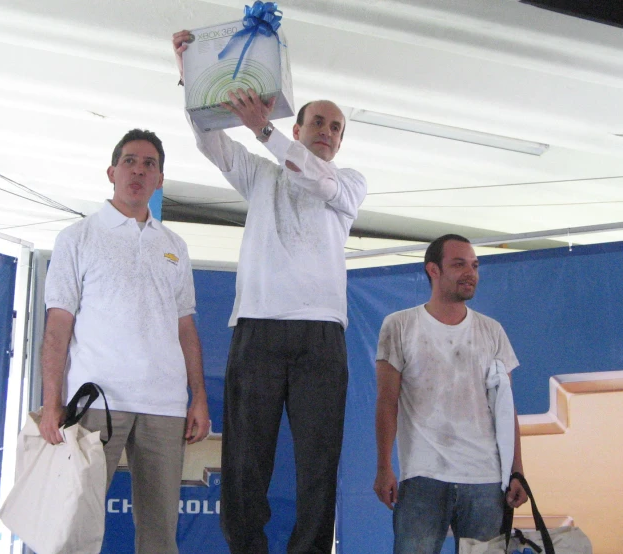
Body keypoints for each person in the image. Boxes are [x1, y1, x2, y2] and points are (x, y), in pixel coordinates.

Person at [173, 30, 367, 554]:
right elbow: (208, 138)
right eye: (318, 122)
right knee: (243, 460)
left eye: (336, 127)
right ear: (297, 126)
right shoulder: (260, 175)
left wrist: (266, 133)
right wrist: (192, 70)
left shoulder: (348, 182)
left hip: (321, 335)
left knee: (317, 461)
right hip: (257, 327)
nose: (327, 131)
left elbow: (318, 184)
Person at [39, 129, 211, 554]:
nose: (139, 170)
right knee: (74, 530)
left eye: (149, 164)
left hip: (165, 405)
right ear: (112, 171)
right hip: (95, 403)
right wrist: (51, 403)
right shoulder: (77, 237)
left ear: (161, 179)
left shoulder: (174, 246)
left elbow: (185, 328)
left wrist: (199, 397)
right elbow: (57, 327)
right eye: (131, 161)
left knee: (160, 535)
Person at [373, 234, 528, 554]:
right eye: (459, 264)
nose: (470, 272)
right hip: (421, 477)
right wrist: (384, 467)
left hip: (486, 479)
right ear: (433, 270)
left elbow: (505, 406)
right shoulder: (399, 325)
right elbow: (387, 401)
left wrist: (517, 470)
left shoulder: (492, 331)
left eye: (474, 265)